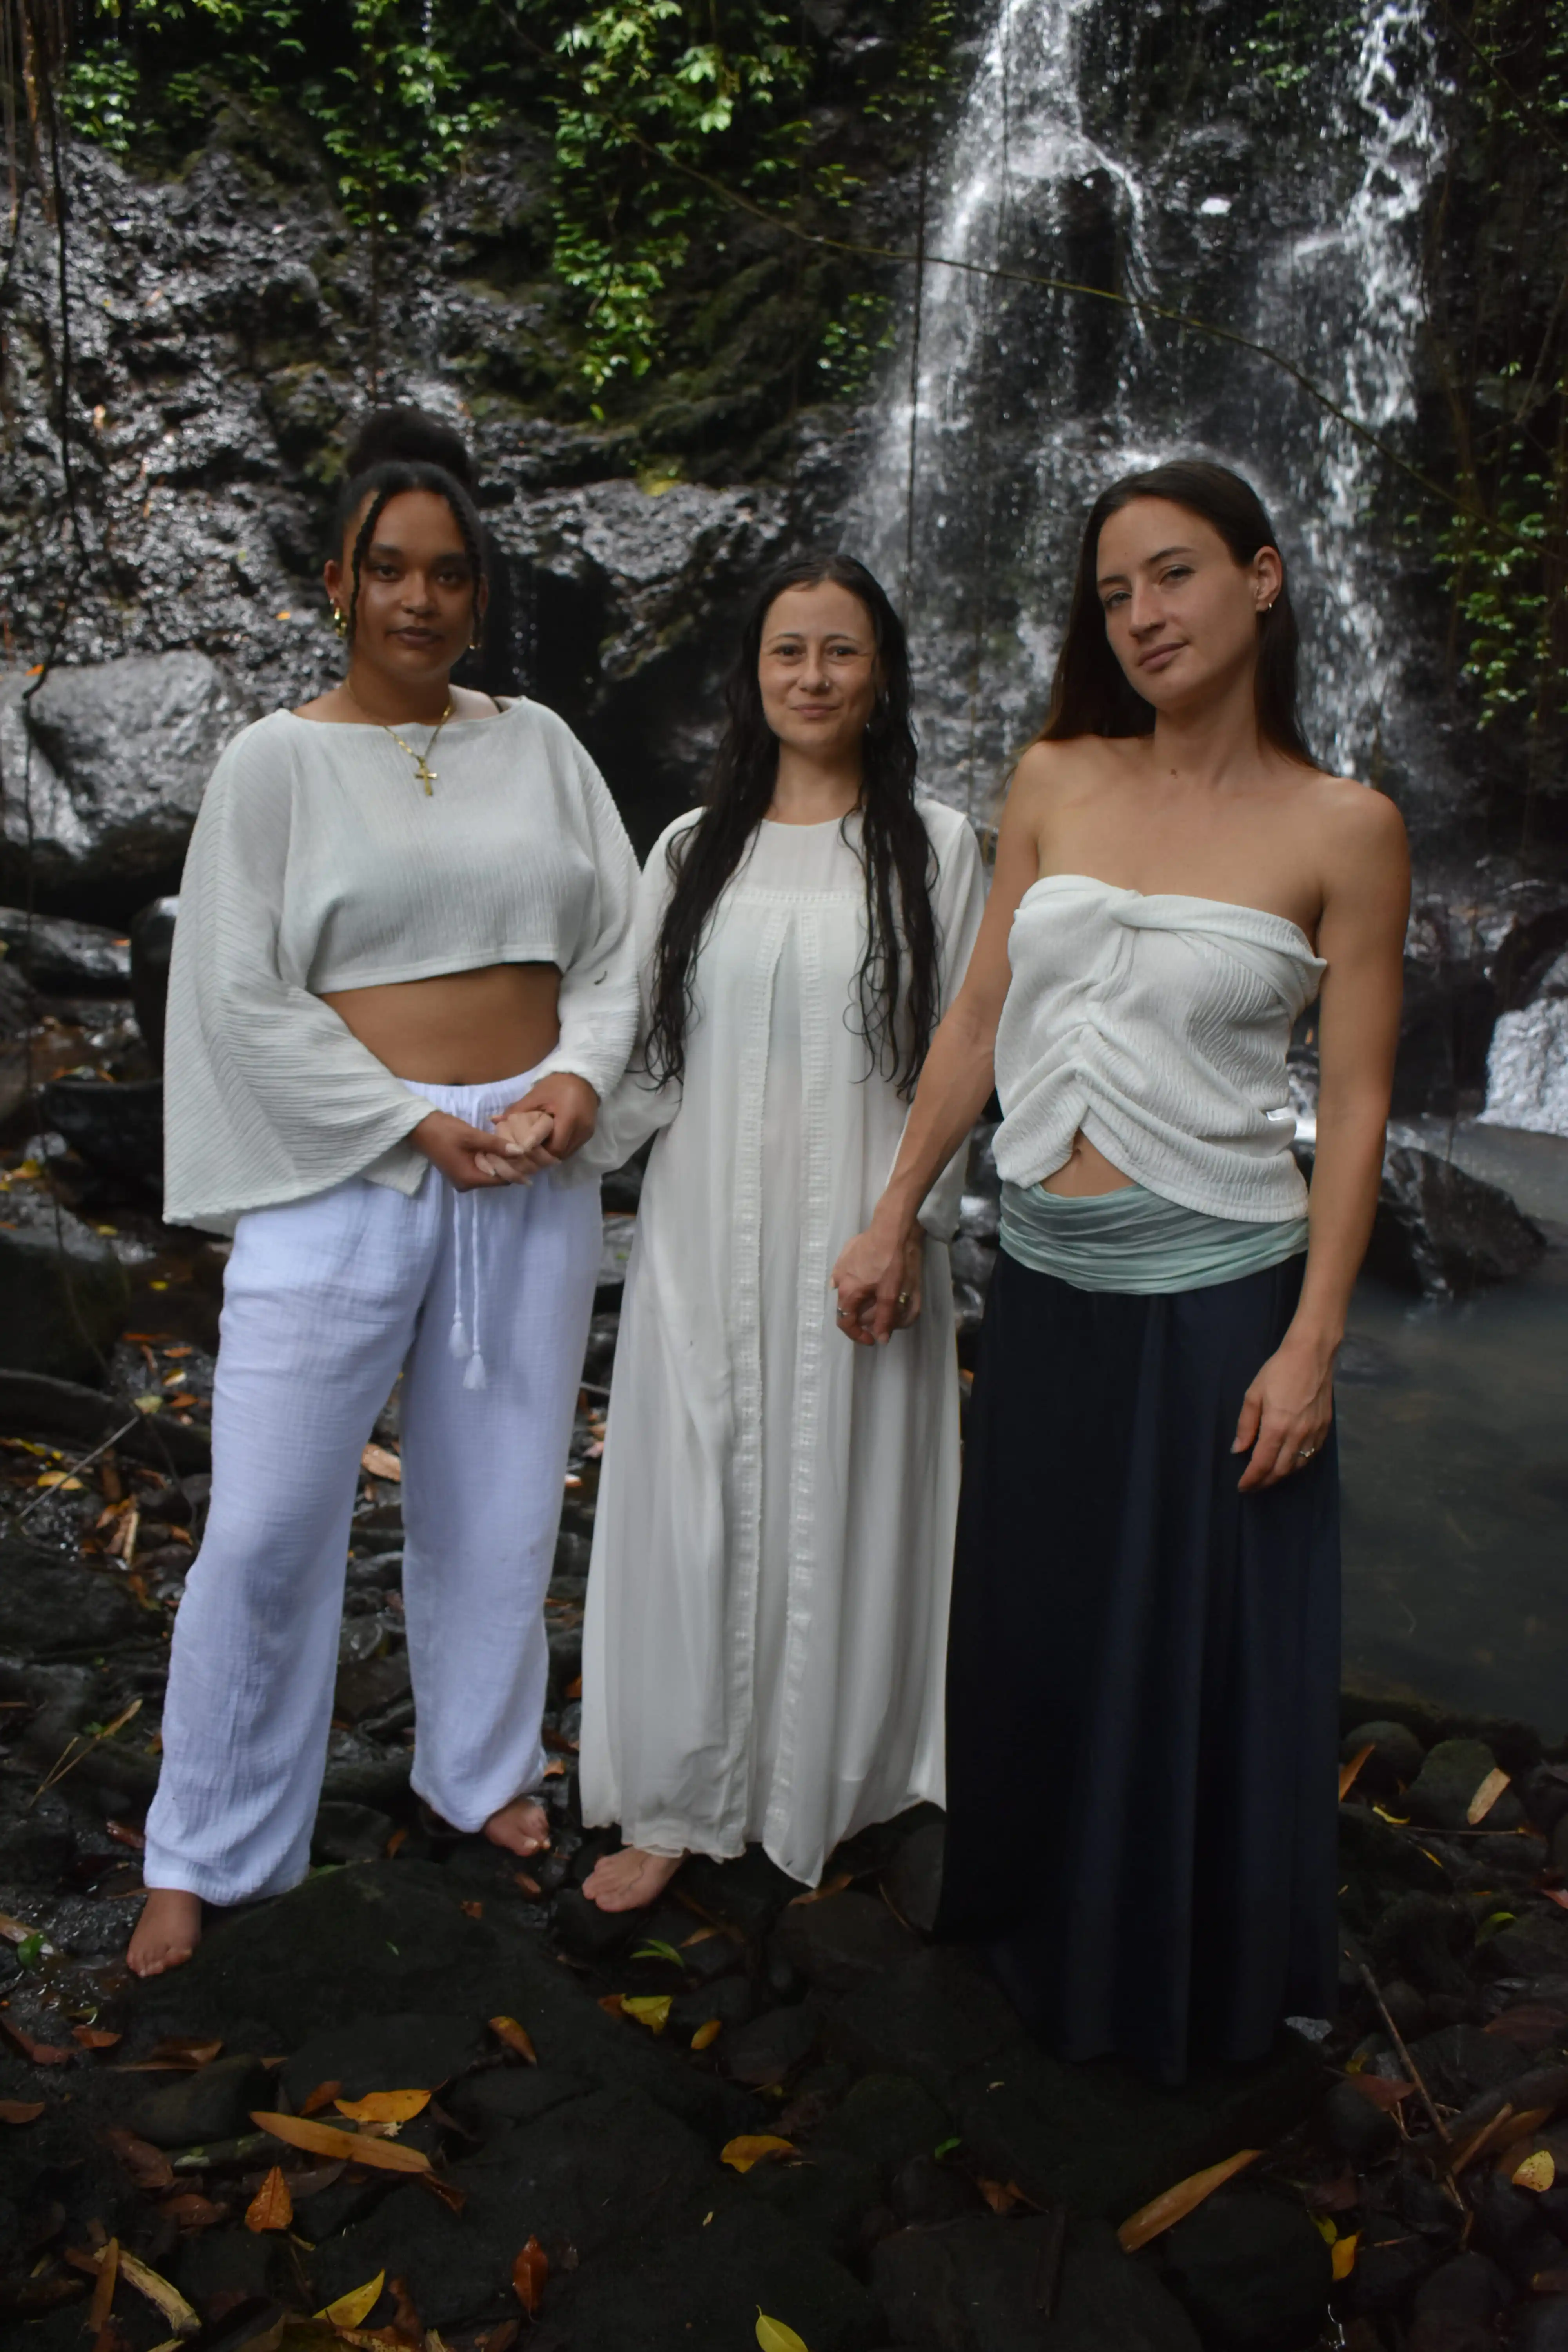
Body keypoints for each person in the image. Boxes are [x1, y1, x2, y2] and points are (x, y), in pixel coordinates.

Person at [831, 462, 1408, 2082]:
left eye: (1172, 575)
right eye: (1112, 593)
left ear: (1266, 578)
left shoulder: (1344, 828)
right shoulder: (1057, 781)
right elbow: (974, 1021)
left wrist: (1311, 1346)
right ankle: (1031, 1928)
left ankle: (1171, 1981)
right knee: (1043, 1624)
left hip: (1217, 1299)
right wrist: (895, 1211)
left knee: (1185, 1654)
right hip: (1048, 1280)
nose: (1142, 615)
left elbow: (1356, 1104)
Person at [128, 410, 640, 1976]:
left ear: (480, 593)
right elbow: (235, 989)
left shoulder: (541, 746)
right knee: (271, 1525)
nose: (420, 600)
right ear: (340, 582)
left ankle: (478, 1771)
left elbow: (621, 950)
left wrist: (572, 1087)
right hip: (346, 1164)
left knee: (498, 1501)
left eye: (450, 575)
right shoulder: (275, 763)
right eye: (390, 572)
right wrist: (409, 1123)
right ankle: (204, 1847)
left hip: (530, 1163)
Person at [566, 555, 986, 1911]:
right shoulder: (693, 848)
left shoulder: (944, 845)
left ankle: (833, 1780)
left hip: (867, 1234)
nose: (812, 677)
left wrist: (908, 1226)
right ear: (754, 678)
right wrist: (535, 1123)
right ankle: (680, 1800)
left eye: (841, 653)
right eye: (787, 653)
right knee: (698, 1490)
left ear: (883, 674)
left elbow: (961, 1062)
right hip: (700, 1231)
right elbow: (631, 1046)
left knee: (845, 1479)